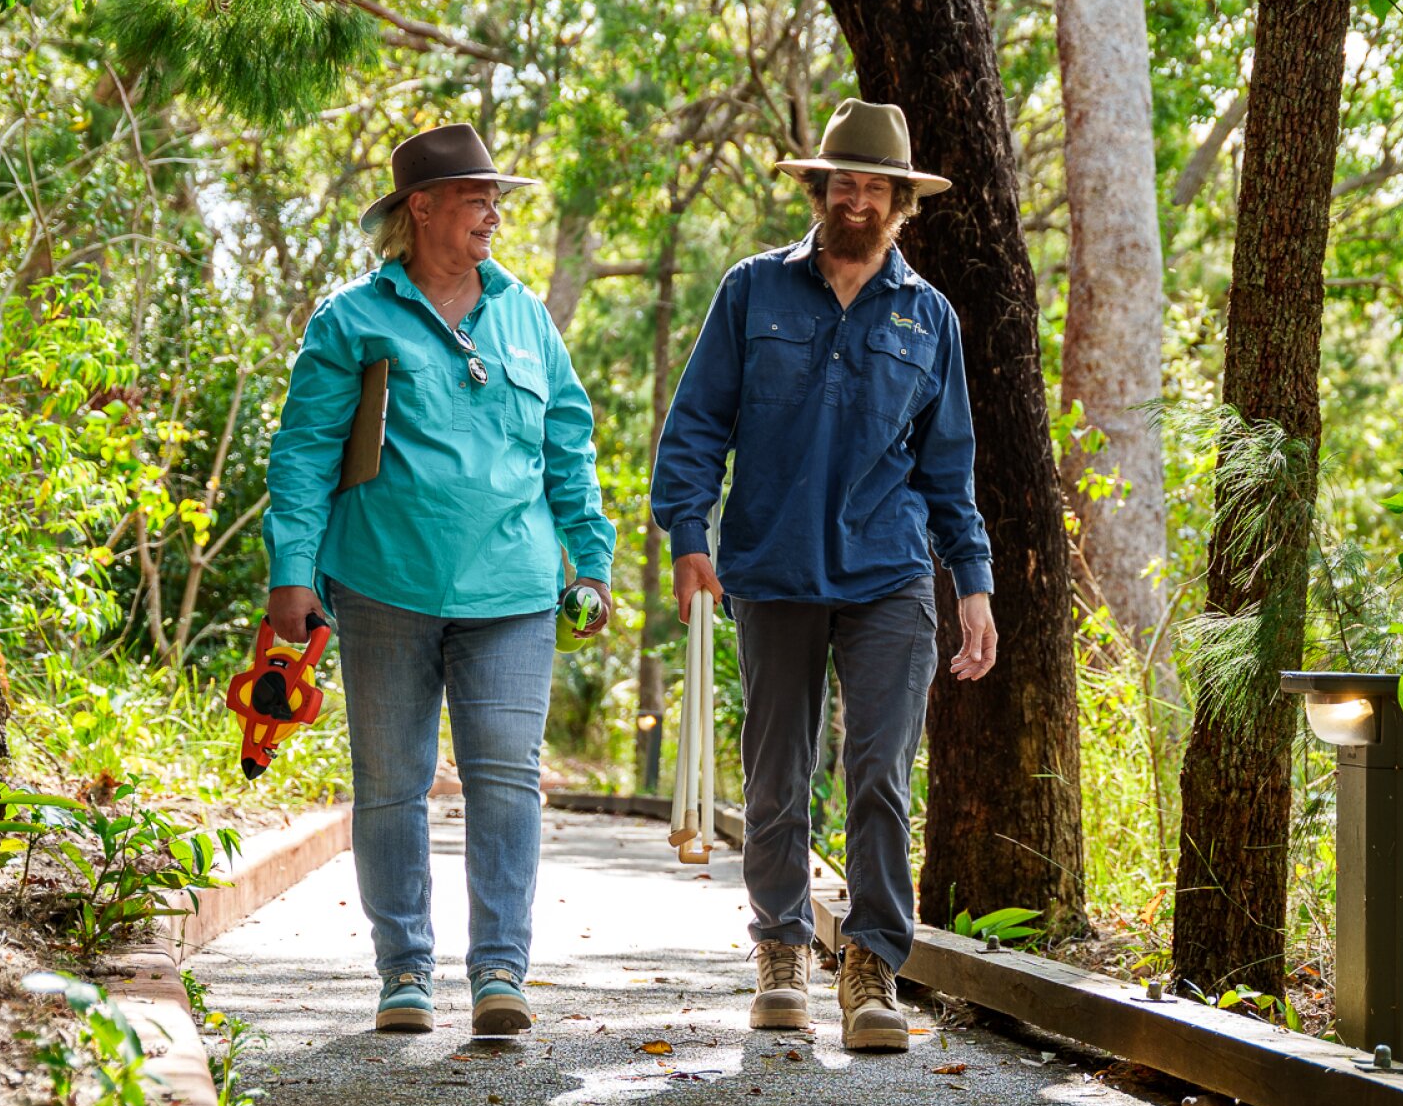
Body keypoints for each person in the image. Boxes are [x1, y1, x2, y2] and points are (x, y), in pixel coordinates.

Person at [650, 99, 996, 1054]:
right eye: (842, 179)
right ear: (819, 188)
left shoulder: (930, 318)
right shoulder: (753, 293)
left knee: (881, 771)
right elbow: (696, 427)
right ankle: (781, 948)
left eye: (875, 183)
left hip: (891, 573)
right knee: (778, 775)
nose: (857, 196)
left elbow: (949, 466)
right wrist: (690, 538)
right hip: (771, 568)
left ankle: (874, 965)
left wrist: (974, 584)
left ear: (898, 200)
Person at [262, 123, 616, 1037]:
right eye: (475, 198)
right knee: (390, 782)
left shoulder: (526, 316)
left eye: (494, 198)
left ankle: (500, 972)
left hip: (513, 592)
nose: (493, 212)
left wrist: (593, 557)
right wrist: (290, 575)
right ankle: (404, 974)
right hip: (383, 585)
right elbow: (303, 455)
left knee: (506, 780)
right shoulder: (352, 320)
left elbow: (568, 445)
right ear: (421, 208)